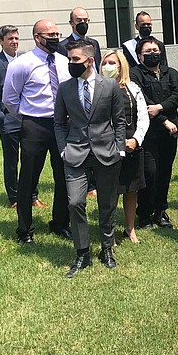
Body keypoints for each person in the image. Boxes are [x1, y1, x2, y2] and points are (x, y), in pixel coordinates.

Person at [55, 40, 125, 277]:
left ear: (89, 60)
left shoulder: (110, 86)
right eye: (69, 60)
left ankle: (107, 248)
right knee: (75, 202)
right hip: (75, 153)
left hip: (107, 152)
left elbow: (119, 120)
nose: (71, 64)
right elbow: (58, 122)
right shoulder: (65, 88)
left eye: (75, 59)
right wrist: (63, 148)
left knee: (107, 203)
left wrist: (120, 148)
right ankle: (82, 252)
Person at [3, 19, 72, 244]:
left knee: (63, 174)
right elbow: (10, 99)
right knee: (29, 177)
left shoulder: (64, 62)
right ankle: (25, 229)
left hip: (61, 125)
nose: (54, 38)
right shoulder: (22, 63)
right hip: (34, 125)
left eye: (56, 34)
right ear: (36, 37)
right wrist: (26, 118)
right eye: (49, 35)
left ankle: (60, 222)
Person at [0, 25, 46, 209]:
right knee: (11, 160)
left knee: (31, 157)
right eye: (10, 39)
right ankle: (15, 197)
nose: (14, 42)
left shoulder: (27, 60)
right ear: (1, 41)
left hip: (28, 118)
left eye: (17, 38)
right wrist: (0, 118)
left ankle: (32, 195)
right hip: (7, 120)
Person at [130, 36, 178, 229]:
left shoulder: (172, 73)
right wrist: (164, 120)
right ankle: (144, 212)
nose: (153, 54)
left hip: (170, 132)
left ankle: (161, 210)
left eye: (155, 50)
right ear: (139, 55)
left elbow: (177, 96)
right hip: (147, 133)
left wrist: (160, 107)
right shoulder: (135, 74)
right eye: (148, 52)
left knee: (164, 172)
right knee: (149, 172)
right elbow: (142, 102)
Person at [100, 49, 149, 244]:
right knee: (109, 191)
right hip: (107, 146)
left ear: (121, 66)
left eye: (113, 63)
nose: (108, 66)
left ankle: (130, 229)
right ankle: (108, 230)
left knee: (131, 189)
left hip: (131, 144)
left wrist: (136, 139)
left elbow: (143, 117)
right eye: (105, 63)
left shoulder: (133, 88)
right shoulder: (97, 87)